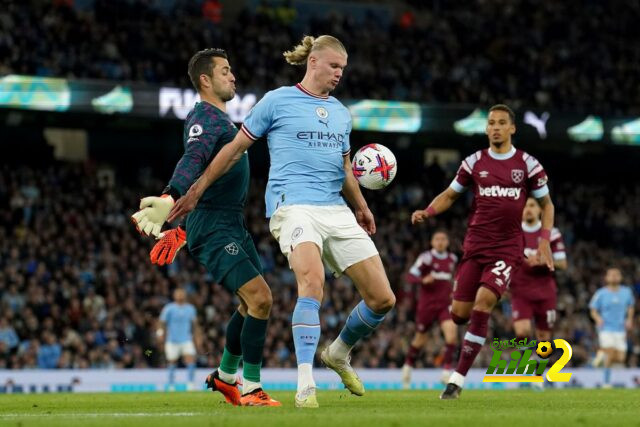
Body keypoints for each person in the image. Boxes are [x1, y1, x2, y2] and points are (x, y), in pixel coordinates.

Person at [166, 35, 396, 408]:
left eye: (343, 68)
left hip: (335, 208)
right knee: (311, 283)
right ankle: (305, 385)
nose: (339, 73)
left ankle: (337, 353)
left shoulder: (340, 112)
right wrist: (195, 189)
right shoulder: (276, 101)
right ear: (314, 62)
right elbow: (234, 148)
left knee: (383, 299)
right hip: (293, 206)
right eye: (334, 66)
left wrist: (361, 205)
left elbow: (345, 167)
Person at [131, 48, 279, 406]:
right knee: (261, 298)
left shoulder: (222, 121)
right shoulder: (205, 118)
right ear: (205, 80)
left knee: (249, 306)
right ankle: (251, 386)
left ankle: (226, 378)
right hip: (214, 224)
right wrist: (171, 195)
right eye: (225, 71)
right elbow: (193, 157)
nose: (233, 76)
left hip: (231, 222)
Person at [411, 104, 555, 399]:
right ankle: (459, 368)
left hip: (506, 250)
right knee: (459, 315)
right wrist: (428, 211)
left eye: (502, 123)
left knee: (483, 303)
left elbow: (547, 205)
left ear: (512, 128)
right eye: (491, 123)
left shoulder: (527, 164)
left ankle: (457, 380)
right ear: (487, 128)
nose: (496, 128)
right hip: (475, 248)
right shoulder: (473, 162)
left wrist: (543, 242)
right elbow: (451, 195)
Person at [401, 230, 458, 389]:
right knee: (420, 340)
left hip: (445, 305)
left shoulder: (452, 259)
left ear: (447, 242)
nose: (440, 242)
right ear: (432, 242)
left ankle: (446, 372)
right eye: (437, 239)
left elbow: (453, 279)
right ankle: (408, 366)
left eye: (443, 239)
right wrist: (422, 279)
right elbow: (410, 276)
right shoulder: (426, 258)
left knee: (451, 336)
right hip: (427, 306)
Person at [510, 197, 567, 344]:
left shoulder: (551, 233)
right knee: (522, 333)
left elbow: (562, 263)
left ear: (540, 210)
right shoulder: (512, 233)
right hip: (520, 291)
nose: (528, 209)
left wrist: (544, 261)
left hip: (545, 292)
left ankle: (542, 365)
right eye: (525, 206)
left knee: (544, 337)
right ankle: (525, 364)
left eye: (532, 205)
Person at [589, 267, 635, 388]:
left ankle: (600, 356)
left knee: (620, 358)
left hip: (620, 329)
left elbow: (631, 306)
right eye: (611, 275)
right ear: (606, 278)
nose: (614, 276)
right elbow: (593, 309)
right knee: (609, 352)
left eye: (617, 274)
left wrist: (629, 319)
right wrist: (598, 319)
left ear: (621, 277)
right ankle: (606, 383)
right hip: (606, 328)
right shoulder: (601, 293)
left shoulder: (626, 292)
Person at [158, 288, 199, 388]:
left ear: (185, 295)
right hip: (172, 340)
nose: (180, 295)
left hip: (186, 339)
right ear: (174, 296)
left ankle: (190, 383)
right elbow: (162, 322)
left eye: (182, 293)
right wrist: (160, 333)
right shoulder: (169, 308)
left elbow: (195, 324)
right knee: (172, 361)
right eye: (178, 294)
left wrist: (197, 336)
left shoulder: (190, 308)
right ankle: (171, 384)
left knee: (191, 359)